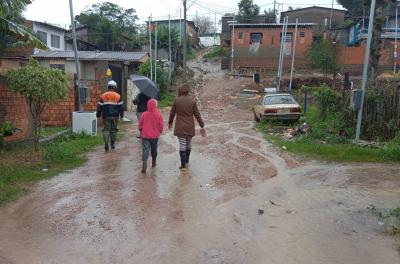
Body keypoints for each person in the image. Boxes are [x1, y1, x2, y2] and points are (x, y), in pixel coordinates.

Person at [168, 84, 205, 171]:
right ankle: (187, 161)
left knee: (182, 144)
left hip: (180, 126)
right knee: (188, 144)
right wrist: (201, 125)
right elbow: (197, 114)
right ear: (188, 91)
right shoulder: (192, 101)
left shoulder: (177, 100)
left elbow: (172, 113)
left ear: (180, 90)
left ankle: (183, 165)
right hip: (189, 126)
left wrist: (170, 122)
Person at [96, 80, 124, 151]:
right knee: (114, 129)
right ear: (115, 87)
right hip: (115, 116)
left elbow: (99, 107)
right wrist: (122, 116)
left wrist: (98, 115)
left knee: (106, 129)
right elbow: (121, 107)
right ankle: (112, 144)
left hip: (106, 116)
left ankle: (106, 143)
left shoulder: (103, 95)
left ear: (108, 87)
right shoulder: (118, 96)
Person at [138, 99, 164, 173]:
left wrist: (141, 130)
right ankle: (153, 162)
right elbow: (161, 125)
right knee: (154, 149)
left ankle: (144, 164)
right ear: (156, 105)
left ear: (148, 105)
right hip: (155, 136)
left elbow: (140, 125)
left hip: (145, 135)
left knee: (145, 149)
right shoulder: (159, 115)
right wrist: (160, 131)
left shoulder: (144, 114)